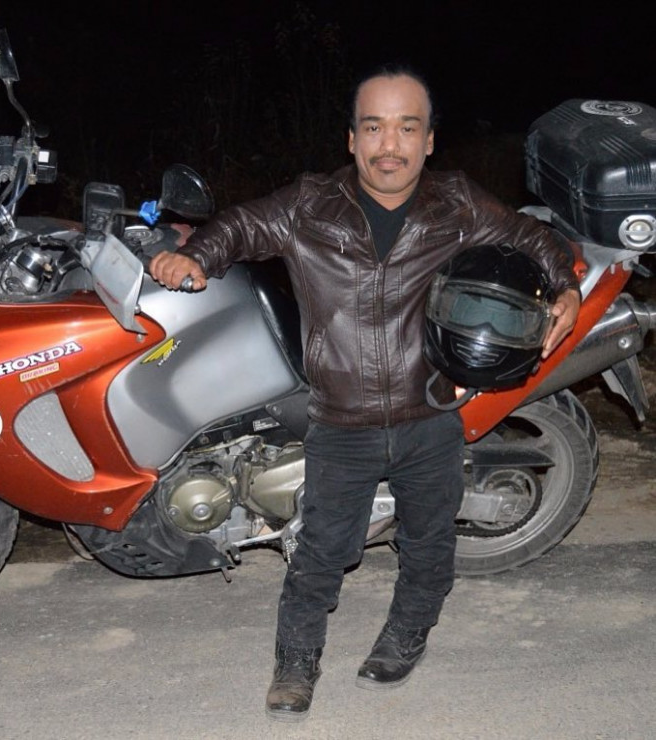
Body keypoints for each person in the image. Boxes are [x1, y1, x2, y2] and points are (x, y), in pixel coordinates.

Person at [150, 64, 581, 721]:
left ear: (429, 141)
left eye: (407, 128)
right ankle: (296, 663)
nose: (390, 145)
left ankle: (406, 635)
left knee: (430, 547)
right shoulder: (308, 204)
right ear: (351, 139)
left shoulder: (457, 203)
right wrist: (197, 255)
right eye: (374, 128)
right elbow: (238, 227)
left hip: (429, 412)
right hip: (340, 419)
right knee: (320, 554)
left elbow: (530, 238)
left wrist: (566, 288)